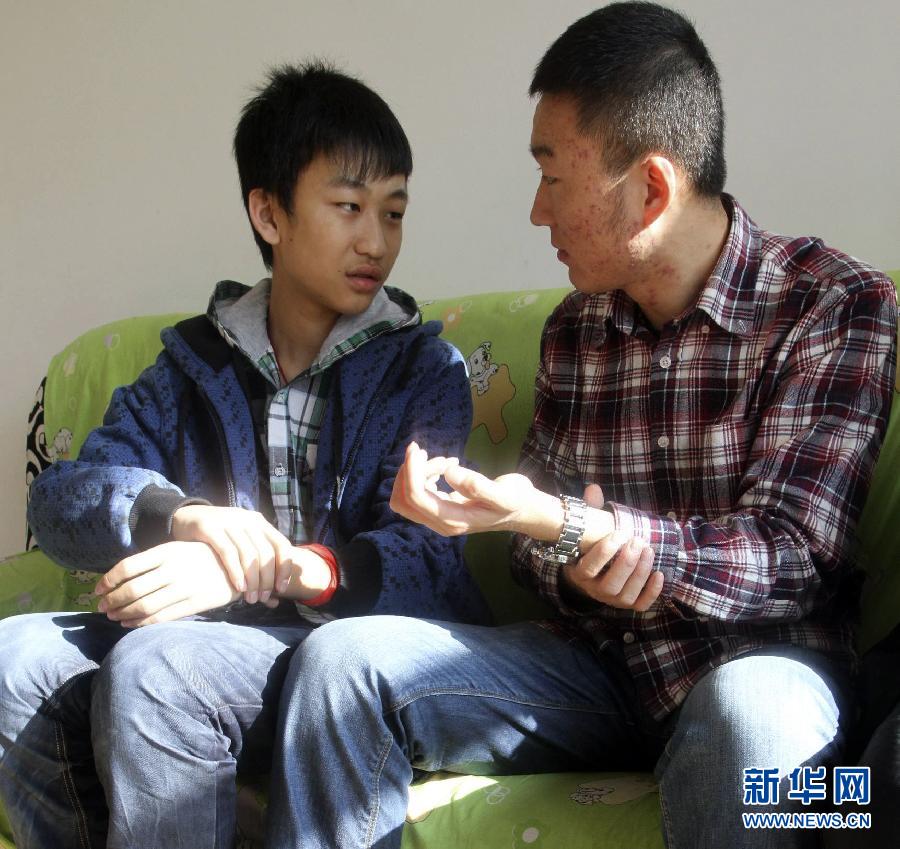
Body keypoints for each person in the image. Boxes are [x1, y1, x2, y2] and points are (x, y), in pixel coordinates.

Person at [264, 5, 897, 848]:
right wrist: (554, 545)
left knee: (752, 727)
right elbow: (534, 552)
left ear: (652, 189)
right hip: (594, 673)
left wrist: (596, 532)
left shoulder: (832, 304)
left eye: (553, 176)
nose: (537, 211)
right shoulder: (575, 328)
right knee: (340, 662)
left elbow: (794, 557)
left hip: (761, 667)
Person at [0, 62, 489, 849]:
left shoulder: (422, 371)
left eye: (393, 212)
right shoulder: (191, 363)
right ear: (269, 212)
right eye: (349, 206)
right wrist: (183, 519)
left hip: (336, 660)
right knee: (12, 658)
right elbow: (61, 499)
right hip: (207, 645)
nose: (376, 240)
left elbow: (431, 561)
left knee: (158, 663)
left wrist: (266, 568)